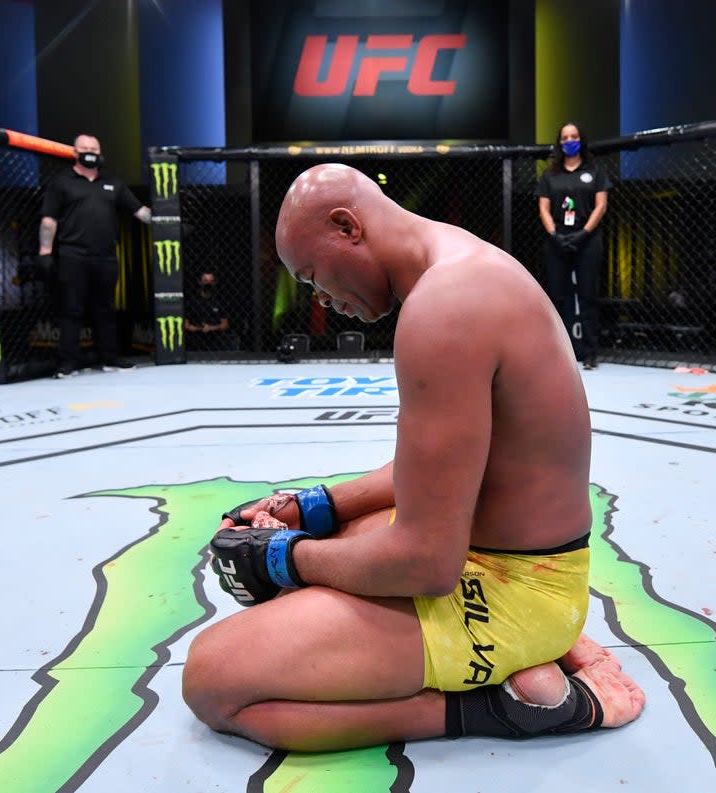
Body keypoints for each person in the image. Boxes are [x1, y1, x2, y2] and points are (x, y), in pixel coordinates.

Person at [182, 163, 644, 753]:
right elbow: (436, 479)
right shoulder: (460, 268)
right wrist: (316, 507)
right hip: (528, 569)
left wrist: (284, 559)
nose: (319, 297)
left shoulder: (445, 306)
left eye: (313, 275)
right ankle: (535, 653)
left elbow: (427, 563)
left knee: (213, 679)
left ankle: (508, 708)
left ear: (348, 226)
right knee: (340, 539)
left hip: (510, 594)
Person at [38, 134, 152, 378]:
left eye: (93, 148)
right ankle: (68, 363)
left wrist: (169, 221)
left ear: (100, 152)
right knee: (71, 309)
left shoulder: (113, 183)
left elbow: (140, 212)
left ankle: (110, 358)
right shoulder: (61, 182)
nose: (89, 151)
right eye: (84, 148)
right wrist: (45, 251)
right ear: (74, 152)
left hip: (106, 256)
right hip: (72, 254)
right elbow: (49, 219)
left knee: (106, 309)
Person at [536, 122, 612, 370]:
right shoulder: (550, 175)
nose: (570, 141)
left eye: (574, 136)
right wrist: (555, 234)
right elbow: (543, 209)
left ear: (581, 140)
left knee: (588, 295)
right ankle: (556, 352)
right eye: (565, 137)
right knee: (556, 296)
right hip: (557, 239)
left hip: (587, 239)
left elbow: (601, 205)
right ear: (559, 143)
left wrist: (584, 233)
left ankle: (590, 353)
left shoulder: (595, 171)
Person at [185, 270, 234, 351]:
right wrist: (201, 329)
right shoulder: (191, 301)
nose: (208, 283)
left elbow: (225, 324)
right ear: (200, 282)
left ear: (214, 283)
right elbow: (186, 325)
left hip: (216, 343)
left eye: (211, 281)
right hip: (195, 343)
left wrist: (212, 328)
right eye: (205, 280)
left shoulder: (220, 301)